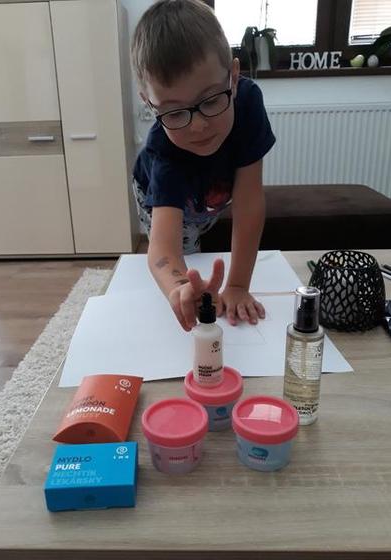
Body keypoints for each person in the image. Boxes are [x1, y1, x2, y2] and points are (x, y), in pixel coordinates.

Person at [131, 0, 275, 332]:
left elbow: (249, 203)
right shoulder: (163, 151)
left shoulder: (248, 104)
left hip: (211, 194)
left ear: (234, 78)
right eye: (174, 112)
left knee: (203, 227)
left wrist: (237, 285)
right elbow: (163, 248)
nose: (197, 126)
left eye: (211, 100)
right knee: (186, 249)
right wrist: (180, 286)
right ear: (150, 104)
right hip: (165, 197)